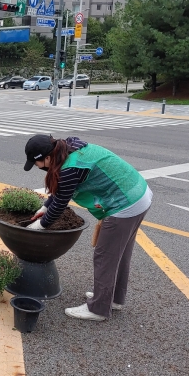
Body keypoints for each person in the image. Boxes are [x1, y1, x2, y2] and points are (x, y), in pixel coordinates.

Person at [24, 134, 152, 322]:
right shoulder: (68, 149)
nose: (37, 167)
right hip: (138, 193)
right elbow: (61, 191)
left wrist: (39, 226)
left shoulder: (70, 169)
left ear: (48, 158)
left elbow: (60, 202)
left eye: (37, 162)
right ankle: (114, 299)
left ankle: (99, 309)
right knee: (120, 253)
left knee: (105, 256)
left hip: (125, 204)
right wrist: (44, 207)